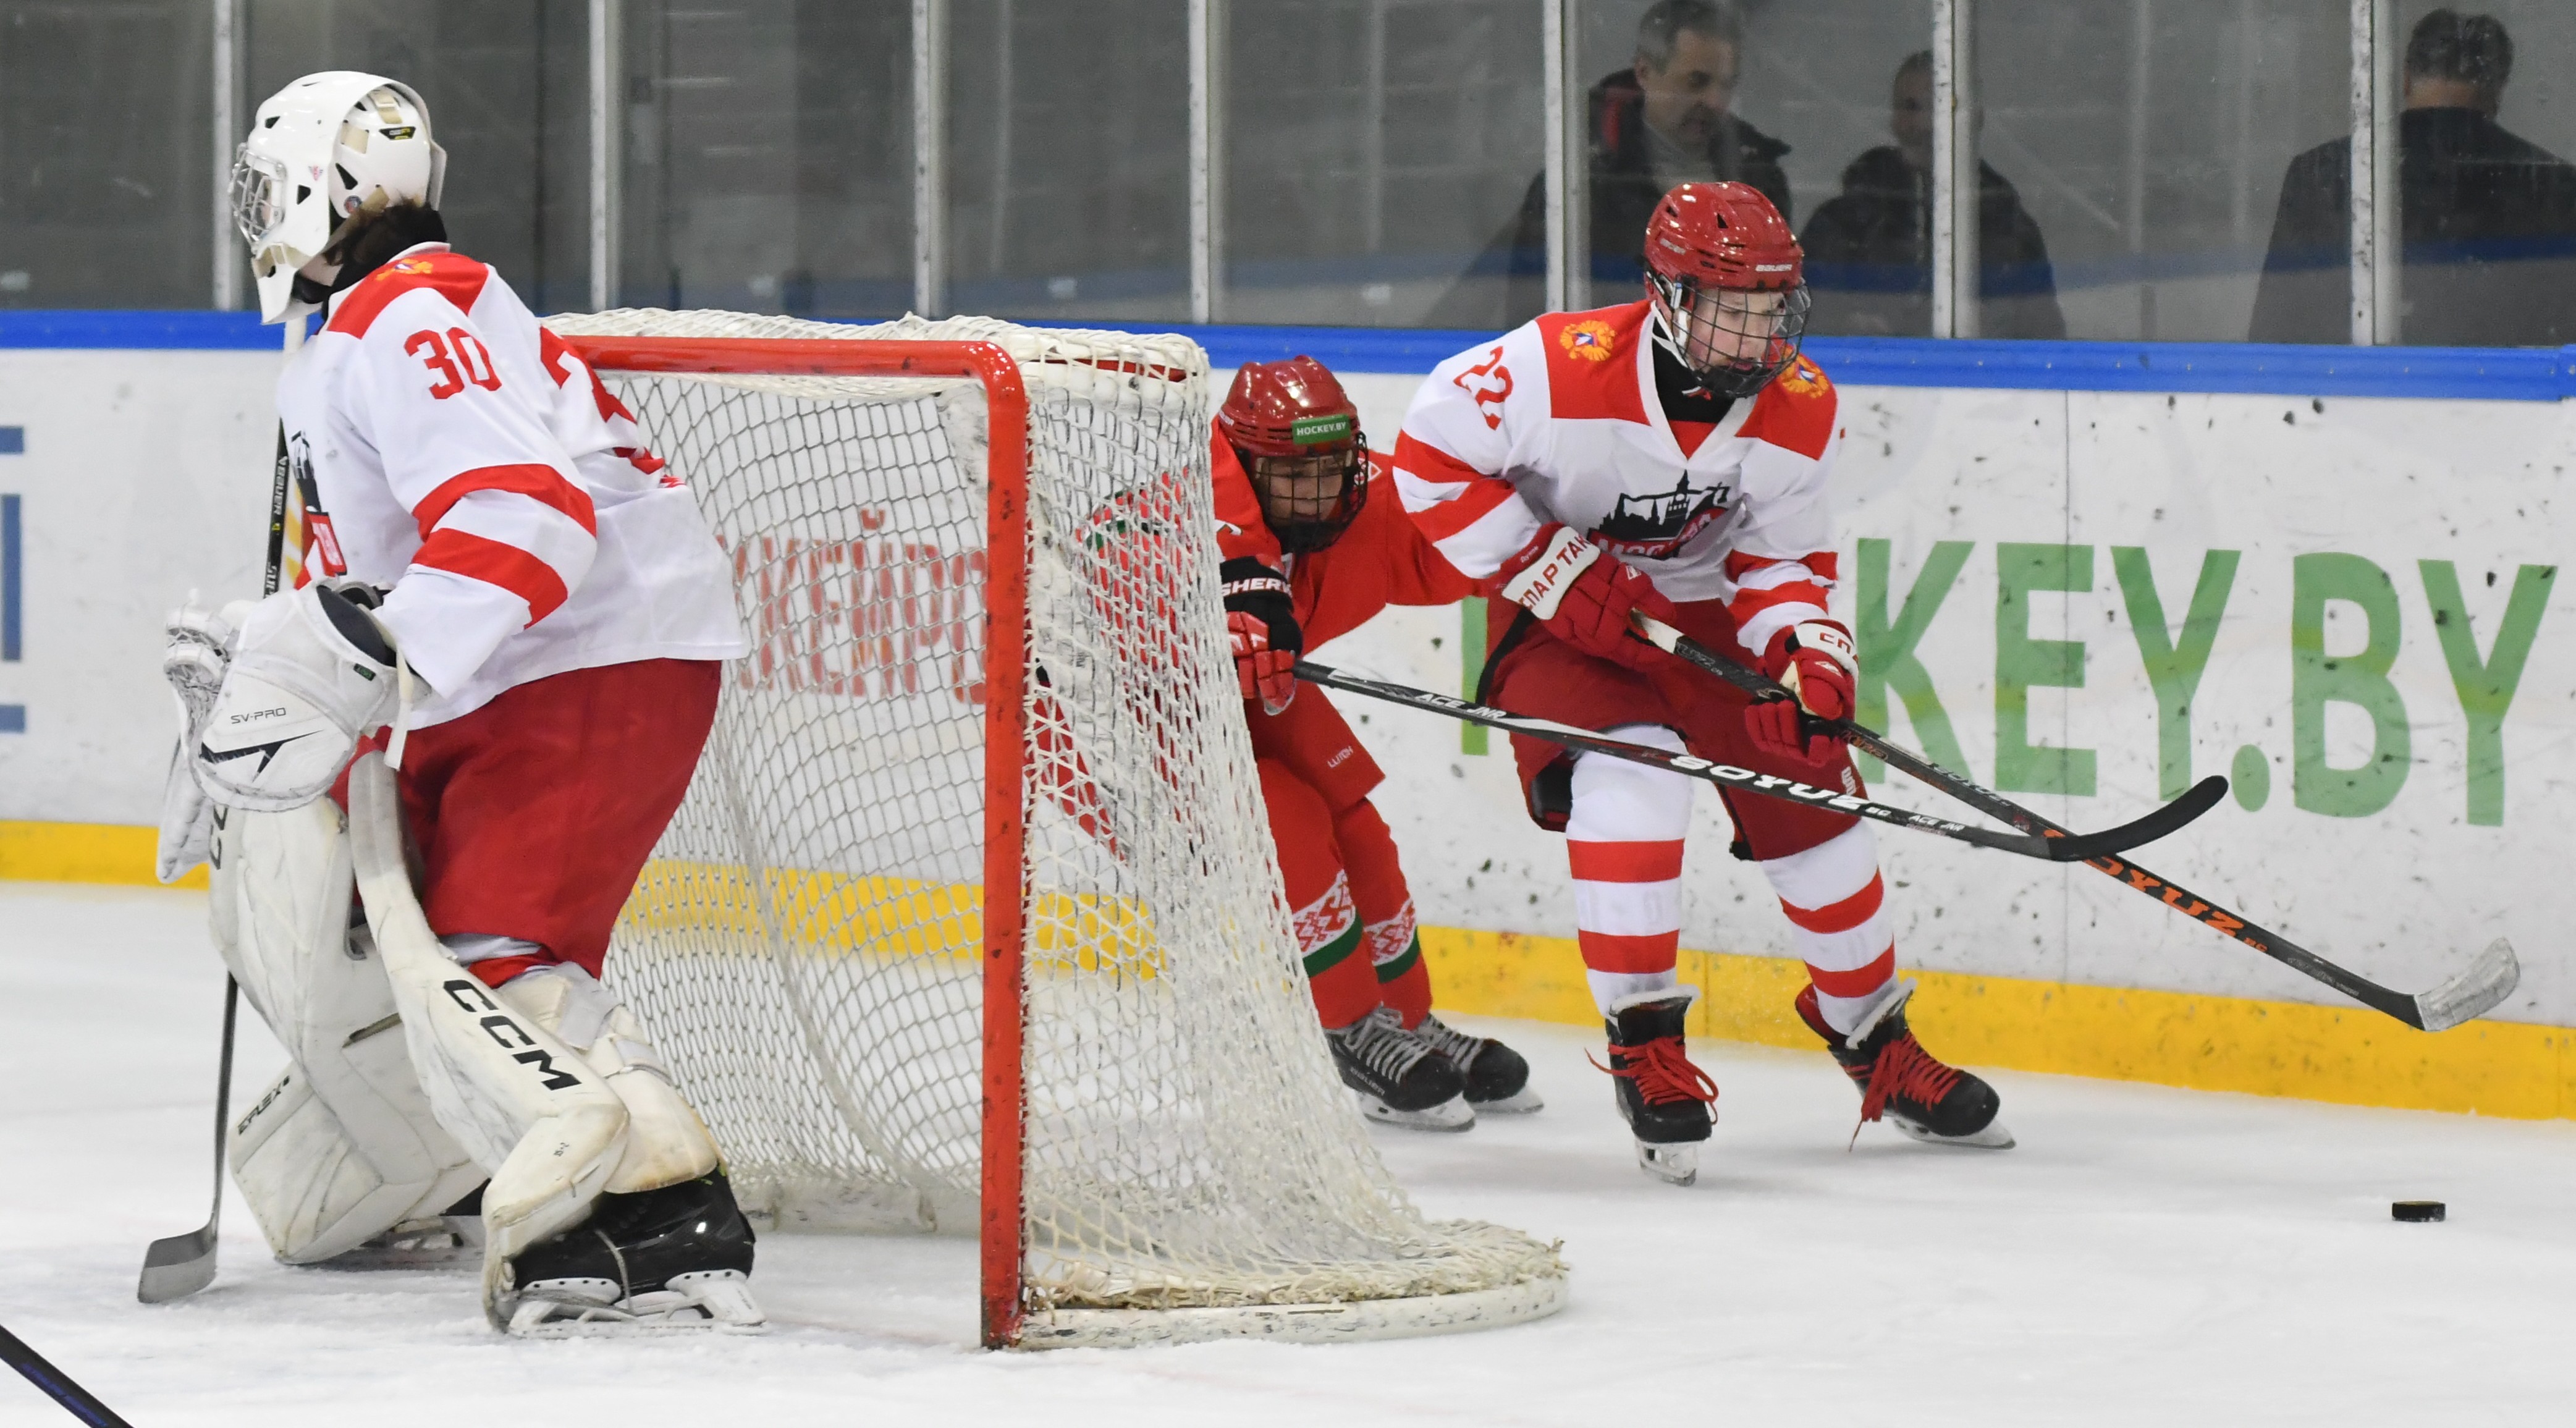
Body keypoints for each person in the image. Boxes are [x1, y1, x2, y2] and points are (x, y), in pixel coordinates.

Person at [167, 70, 758, 1332]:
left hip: (585, 651)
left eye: (271, 189)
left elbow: (525, 515)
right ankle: (504, 1160)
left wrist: (361, 657)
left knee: (498, 949)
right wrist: (279, 667)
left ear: (329, 189)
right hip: (542, 657)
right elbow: (382, 574)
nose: (260, 216)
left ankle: (657, 1205)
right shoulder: (383, 320)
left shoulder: (407, 314)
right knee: (439, 940)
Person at [1391, 182, 2011, 1186]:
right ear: (1664, 296)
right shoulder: (1555, 368)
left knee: (1814, 808)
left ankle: (1873, 1040)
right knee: (1635, 782)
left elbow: (1778, 561)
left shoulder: (1797, 404)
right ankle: (1644, 1040)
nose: (1753, 330)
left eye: (1769, 307)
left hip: (1704, 614)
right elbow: (1425, 455)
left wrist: (1807, 653)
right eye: (1731, 306)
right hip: (1567, 620)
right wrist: (1546, 568)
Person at [1216, 357, 1540, 1131]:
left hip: (1258, 689)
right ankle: (1351, 1029)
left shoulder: (1356, 502)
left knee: (1359, 830)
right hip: (1133, 714)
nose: (1324, 492)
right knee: (1290, 821)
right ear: (1245, 465)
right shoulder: (1171, 516)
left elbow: (1459, 537)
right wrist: (1203, 632)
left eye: (1335, 469)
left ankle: (1405, 1020)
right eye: (1299, 475)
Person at [1428, 0, 1792, 330]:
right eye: (1696, 81)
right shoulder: (1578, 184)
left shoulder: (1761, 182)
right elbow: (1531, 325)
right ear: (1645, 72)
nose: (1714, 101)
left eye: (1725, 85)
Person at [2250, 9, 2576, 346]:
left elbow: (2273, 335)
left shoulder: (2321, 173)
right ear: (2498, 91)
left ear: (2405, 80)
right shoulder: (2553, 182)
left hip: (2344, 395)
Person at [1799, 50, 2064, 339]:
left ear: (1974, 119)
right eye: (1910, 107)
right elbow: (1799, 325)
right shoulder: (1842, 222)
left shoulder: (2010, 228)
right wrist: (1849, 328)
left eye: (1939, 108)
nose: (1924, 124)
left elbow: (2043, 339)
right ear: (1893, 118)